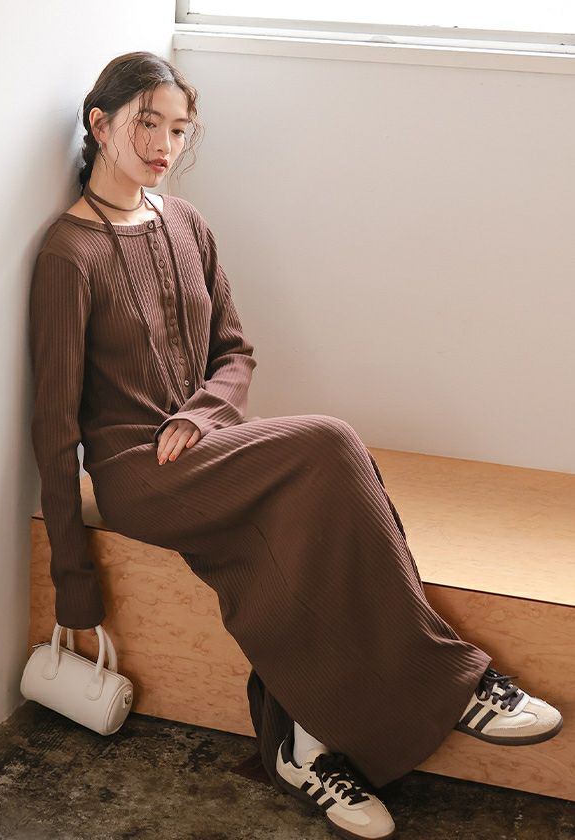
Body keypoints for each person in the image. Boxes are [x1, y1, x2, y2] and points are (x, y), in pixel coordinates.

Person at [28, 51, 563, 840]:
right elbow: (53, 426)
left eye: (179, 129)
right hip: (137, 474)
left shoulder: (187, 225)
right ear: (99, 124)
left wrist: (204, 414)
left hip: (204, 449)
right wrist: (72, 580)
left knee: (319, 514)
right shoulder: (66, 256)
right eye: (147, 123)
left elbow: (235, 352)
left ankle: (304, 744)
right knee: (332, 443)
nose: (164, 145)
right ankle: (457, 684)